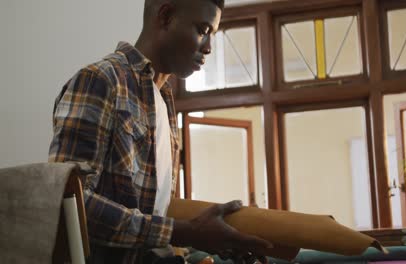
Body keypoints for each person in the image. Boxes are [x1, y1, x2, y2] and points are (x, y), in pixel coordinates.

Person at [48, 0, 272, 263]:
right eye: (202, 30)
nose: (209, 47)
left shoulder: (163, 99)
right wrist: (187, 233)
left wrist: (207, 238)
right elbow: (70, 205)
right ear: (165, 16)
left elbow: (153, 213)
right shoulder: (100, 81)